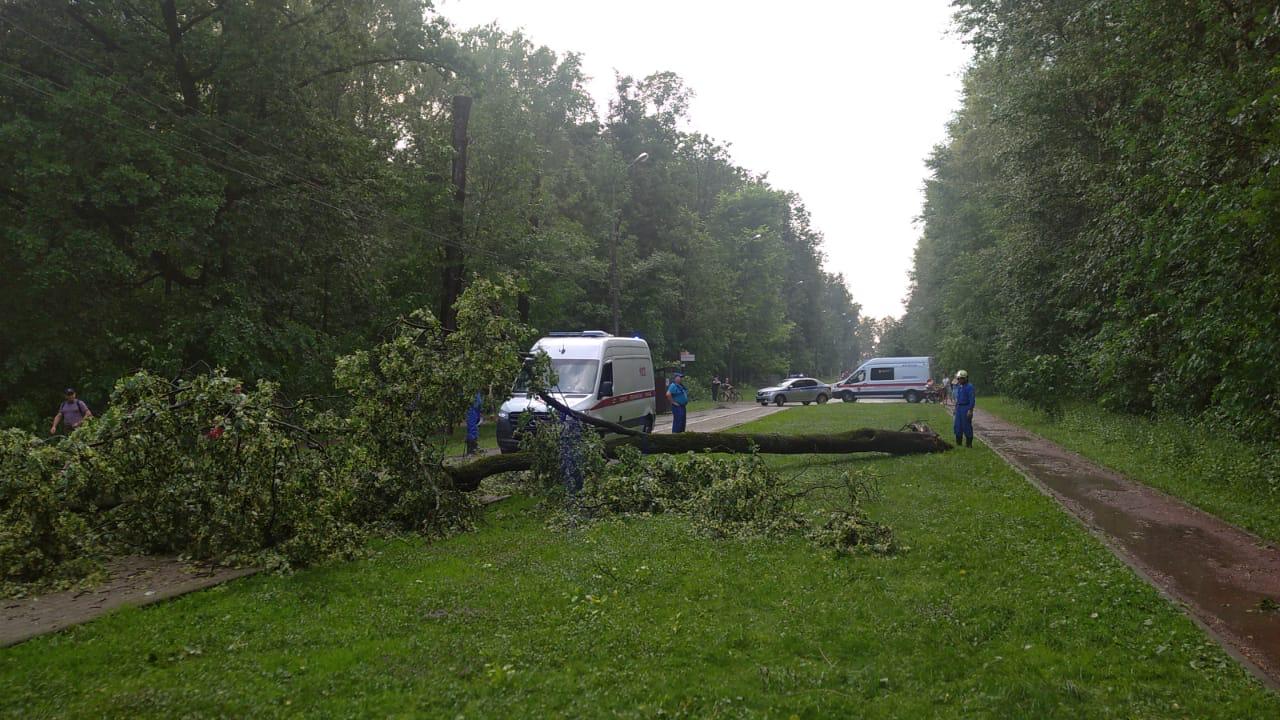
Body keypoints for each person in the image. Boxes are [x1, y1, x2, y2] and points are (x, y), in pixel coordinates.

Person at [952, 370, 976, 448]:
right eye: (959, 378)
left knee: (966, 425)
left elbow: (972, 399)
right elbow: (958, 398)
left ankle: (969, 444)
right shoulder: (959, 387)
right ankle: (959, 444)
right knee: (957, 425)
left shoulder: (969, 387)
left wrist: (970, 410)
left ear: (966, 378)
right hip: (959, 407)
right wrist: (955, 408)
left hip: (966, 408)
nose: (960, 380)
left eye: (962, 378)